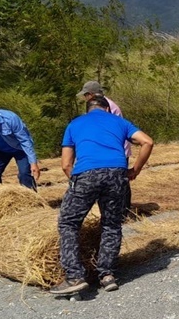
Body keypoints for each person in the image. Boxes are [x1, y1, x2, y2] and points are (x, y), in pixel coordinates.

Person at [51, 94, 154, 296]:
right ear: (107, 109)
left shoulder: (75, 124)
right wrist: (135, 170)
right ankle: (107, 275)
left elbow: (65, 164)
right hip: (116, 173)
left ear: (88, 109)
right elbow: (147, 142)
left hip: (86, 173)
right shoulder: (120, 121)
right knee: (111, 224)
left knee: (68, 223)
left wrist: (77, 181)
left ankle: (74, 276)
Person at [77, 81, 133, 216]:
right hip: (112, 149)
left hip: (116, 150)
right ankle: (117, 210)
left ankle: (122, 211)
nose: (85, 98)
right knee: (117, 180)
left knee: (120, 182)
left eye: (85, 95)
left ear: (90, 94)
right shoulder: (101, 105)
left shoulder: (106, 107)